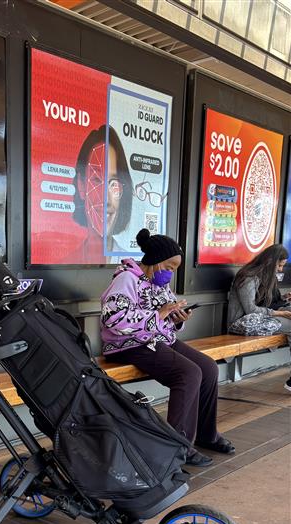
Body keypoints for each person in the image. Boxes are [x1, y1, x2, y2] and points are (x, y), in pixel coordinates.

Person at [100, 228, 235, 467]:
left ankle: (207, 435)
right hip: (130, 344)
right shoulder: (125, 279)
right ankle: (177, 447)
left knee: (208, 368)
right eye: (170, 267)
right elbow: (112, 319)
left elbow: (165, 315)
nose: (171, 273)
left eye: (175, 268)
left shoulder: (158, 282)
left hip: (158, 339)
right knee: (188, 373)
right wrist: (159, 315)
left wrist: (177, 318)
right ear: (155, 260)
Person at [227, 244, 291, 391]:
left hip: (260, 320)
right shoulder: (247, 277)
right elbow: (251, 309)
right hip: (242, 324)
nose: (280, 269)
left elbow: (268, 303)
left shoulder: (266, 276)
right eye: (279, 265)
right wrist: (281, 313)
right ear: (270, 261)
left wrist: (284, 299)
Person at [69, 125, 133, 264]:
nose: (106, 199)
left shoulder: (135, 266)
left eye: (114, 183)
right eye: (97, 180)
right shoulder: (66, 262)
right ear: (81, 185)